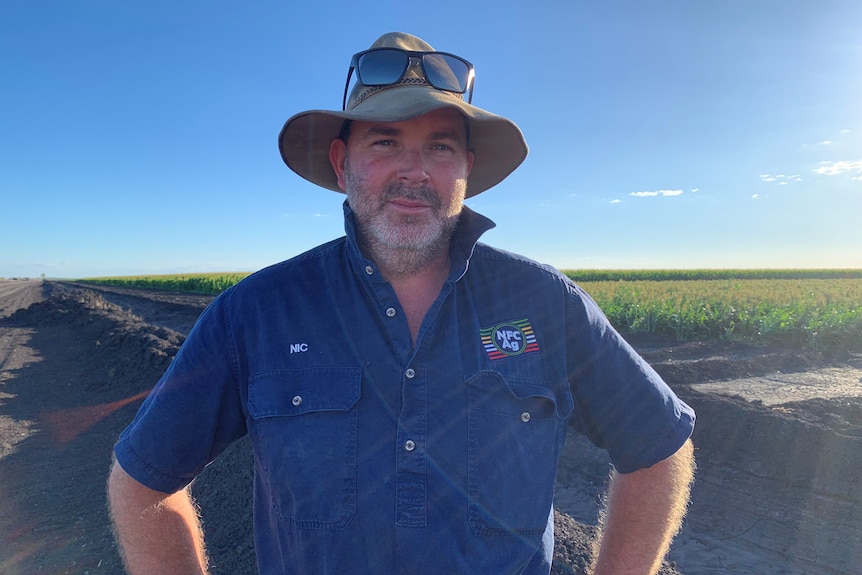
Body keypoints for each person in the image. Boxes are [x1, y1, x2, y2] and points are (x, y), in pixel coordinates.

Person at [107, 31, 696, 575]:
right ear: (343, 165)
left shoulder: (545, 305)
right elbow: (142, 481)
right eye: (386, 142)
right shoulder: (256, 313)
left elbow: (658, 447)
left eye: (441, 147)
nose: (415, 171)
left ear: (466, 168)